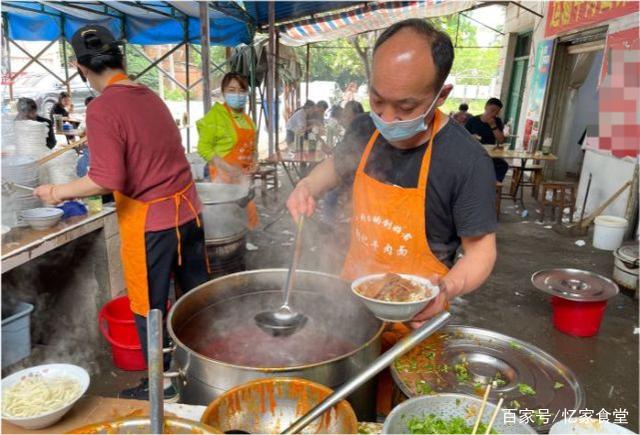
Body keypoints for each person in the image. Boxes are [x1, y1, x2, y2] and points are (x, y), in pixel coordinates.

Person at [286, 19, 497, 413]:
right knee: (343, 408)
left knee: (398, 412)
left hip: (418, 320)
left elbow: (481, 252)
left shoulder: (465, 162)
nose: (387, 117)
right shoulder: (365, 129)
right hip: (350, 305)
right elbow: (334, 168)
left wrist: (447, 290)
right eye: (377, 99)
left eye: (405, 107)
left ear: (441, 94)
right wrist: (306, 188)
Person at [33, 25, 209, 401]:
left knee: (149, 309)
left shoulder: (103, 108)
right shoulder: (149, 95)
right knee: (194, 301)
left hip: (153, 225)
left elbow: (106, 179)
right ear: (120, 58)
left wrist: (55, 192)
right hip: (189, 215)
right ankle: (204, 378)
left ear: (81, 67)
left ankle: (163, 389)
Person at [196, 71, 259, 229]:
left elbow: (253, 148)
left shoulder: (247, 120)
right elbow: (204, 148)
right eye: (231, 90)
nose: (237, 94)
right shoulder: (216, 116)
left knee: (244, 219)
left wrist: (255, 161)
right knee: (224, 222)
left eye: (241, 90)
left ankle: (244, 243)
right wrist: (227, 168)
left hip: (242, 179)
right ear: (223, 92)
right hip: (220, 178)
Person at [465, 98, 508, 181]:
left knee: (503, 165)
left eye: (496, 112)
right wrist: (471, 137)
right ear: (485, 107)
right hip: (474, 153)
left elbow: (501, 140)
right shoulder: (473, 120)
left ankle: (493, 186)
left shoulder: (497, 121)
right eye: (492, 110)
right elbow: (463, 138)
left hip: (490, 154)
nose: (494, 114)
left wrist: (493, 125)